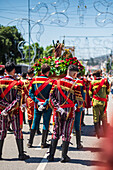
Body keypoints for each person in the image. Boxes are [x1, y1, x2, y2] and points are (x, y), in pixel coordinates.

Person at [47, 65, 83, 162]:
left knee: (55, 133)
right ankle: (63, 156)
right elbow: (80, 102)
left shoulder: (56, 82)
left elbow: (51, 97)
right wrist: (75, 105)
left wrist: (58, 107)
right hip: (69, 112)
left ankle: (51, 155)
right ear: (75, 74)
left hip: (58, 112)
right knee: (66, 134)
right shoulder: (75, 85)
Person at [0, 62, 30, 160]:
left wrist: (4, 108)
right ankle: (21, 154)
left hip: (1, 112)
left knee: (1, 132)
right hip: (14, 112)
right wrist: (9, 108)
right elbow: (18, 100)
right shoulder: (18, 83)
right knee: (18, 131)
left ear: (5, 71)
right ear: (14, 70)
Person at [27, 64, 54, 148]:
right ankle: (43, 143)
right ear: (48, 72)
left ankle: (30, 142)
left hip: (37, 104)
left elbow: (30, 93)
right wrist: (45, 103)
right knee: (46, 123)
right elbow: (52, 96)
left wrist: (37, 102)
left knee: (35, 122)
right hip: (47, 105)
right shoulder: (51, 81)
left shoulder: (34, 80)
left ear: (41, 71)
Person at [89, 70, 110, 139]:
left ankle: (98, 134)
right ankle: (105, 133)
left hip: (95, 102)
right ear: (100, 75)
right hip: (103, 103)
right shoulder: (105, 81)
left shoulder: (92, 82)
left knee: (96, 117)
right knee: (103, 118)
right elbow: (108, 91)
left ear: (95, 76)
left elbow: (90, 93)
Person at [73, 72, 86, 149]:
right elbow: (83, 96)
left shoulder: (64, 81)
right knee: (77, 125)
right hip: (78, 106)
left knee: (66, 126)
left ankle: (64, 144)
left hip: (67, 106)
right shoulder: (81, 83)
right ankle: (78, 144)